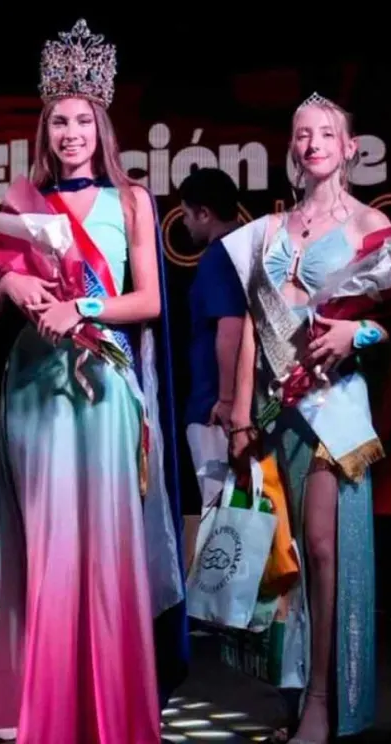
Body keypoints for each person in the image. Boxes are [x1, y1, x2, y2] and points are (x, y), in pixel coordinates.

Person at [0, 19, 188, 744]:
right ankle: (46, 714)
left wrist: (80, 304)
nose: (70, 132)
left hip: (105, 382)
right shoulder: (17, 206)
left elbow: (148, 302)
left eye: (83, 120)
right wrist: (14, 290)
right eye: (59, 120)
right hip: (34, 386)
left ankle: (111, 712)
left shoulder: (135, 202)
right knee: (46, 545)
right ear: (45, 130)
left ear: (101, 127)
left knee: (106, 549)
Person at [222, 93, 391, 743]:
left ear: (350, 148)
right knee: (287, 554)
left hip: (333, 408)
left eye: (326, 133)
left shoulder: (368, 223)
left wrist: (358, 335)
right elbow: (249, 331)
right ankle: (295, 690)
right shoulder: (268, 230)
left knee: (323, 548)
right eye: (302, 134)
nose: (313, 142)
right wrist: (240, 416)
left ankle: (325, 700)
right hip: (273, 413)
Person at [178, 168, 247, 562]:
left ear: (204, 213)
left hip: (213, 406)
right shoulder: (246, 250)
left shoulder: (219, 257)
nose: (185, 223)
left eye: (186, 214)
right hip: (226, 403)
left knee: (221, 508)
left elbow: (231, 326)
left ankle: (227, 613)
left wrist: (225, 399)